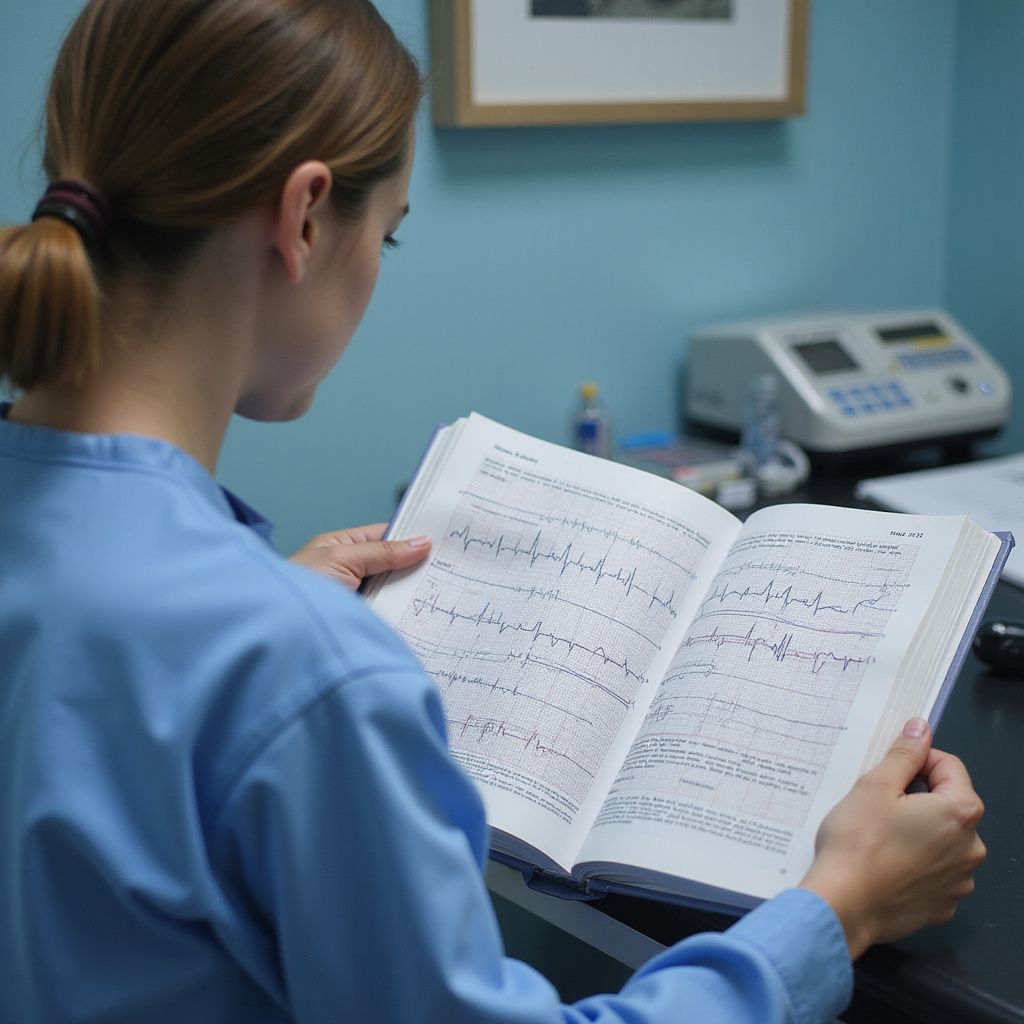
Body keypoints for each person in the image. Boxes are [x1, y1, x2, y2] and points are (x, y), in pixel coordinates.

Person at [0, 1, 985, 1021]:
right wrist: (836, 910)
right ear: (302, 218)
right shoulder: (305, 673)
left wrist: (254, 634)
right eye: (390, 234)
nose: (379, 263)